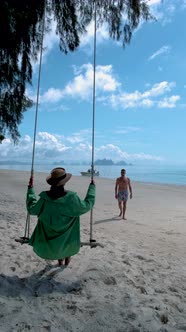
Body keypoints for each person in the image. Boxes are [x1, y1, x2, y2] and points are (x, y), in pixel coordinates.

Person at [26, 167, 96, 267]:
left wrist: (30, 190)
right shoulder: (71, 198)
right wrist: (92, 188)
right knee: (68, 234)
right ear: (64, 182)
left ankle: (60, 262)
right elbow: (87, 205)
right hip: (67, 237)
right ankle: (66, 263)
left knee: (60, 238)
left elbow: (31, 209)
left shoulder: (44, 199)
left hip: (49, 239)